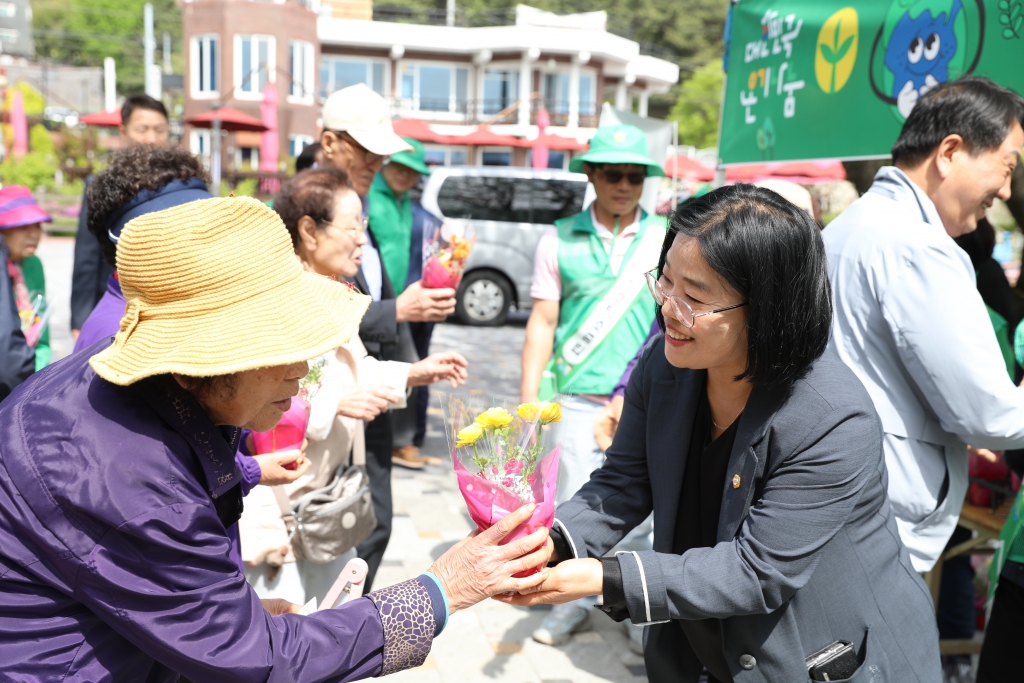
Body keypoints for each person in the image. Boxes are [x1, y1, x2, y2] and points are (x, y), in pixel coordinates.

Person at [0, 195, 552, 681]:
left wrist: (220, 603)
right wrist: (440, 590)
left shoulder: (112, 397)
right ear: (196, 367)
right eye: (280, 346)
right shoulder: (130, 483)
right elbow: (257, 660)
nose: (301, 368)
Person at [503, 184, 941, 683]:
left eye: (694, 297)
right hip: (702, 651)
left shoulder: (832, 417)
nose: (668, 309)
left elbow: (758, 571)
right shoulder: (665, 366)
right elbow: (624, 481)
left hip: (824, 657)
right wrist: (551, 542)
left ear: (768, 310)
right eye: (665, 282)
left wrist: (604, 577)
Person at [69, 144, 308, 572]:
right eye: (180, 232)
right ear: (134, 248)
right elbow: (153, 484)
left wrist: (250, 471)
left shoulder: (184, 311)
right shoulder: (121, 339)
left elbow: (186, 441)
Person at [824, 76, 1024, 573]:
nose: (1005, 189)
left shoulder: (852, 226)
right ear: (951, 152)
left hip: (842, 505)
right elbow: (989, 415)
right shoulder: (920, 247)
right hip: (878, 522)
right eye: (1007, 167)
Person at [242, 167, 468, 604]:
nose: (363, 239)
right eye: (352, 226)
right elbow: (252, 400)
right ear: (309, 230)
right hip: (277, 508)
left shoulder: (331, 294)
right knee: (280, 634)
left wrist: (416, 372)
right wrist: (334, 402)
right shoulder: (274, 299)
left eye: (364, 225)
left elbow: (354, 369)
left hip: (321, 501)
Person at [520, 123, 667, 645]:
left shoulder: (665, 236)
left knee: (649, 509)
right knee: (585, 508)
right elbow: (542, 321)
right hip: (577, 397)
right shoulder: (558, 236)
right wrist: (529, 397)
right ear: (591, 174)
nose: (624, 184)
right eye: (612, 173)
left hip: (649, 398)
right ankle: (573, 604)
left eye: (635, 175)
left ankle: (641, 605)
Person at [319, 83, 456, 589]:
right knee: (332, 534)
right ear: (329, 142)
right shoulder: (302, 211)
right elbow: (310, 311)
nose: (376, 160)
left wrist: (410, 362)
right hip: (320, 405)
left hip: (371, 391)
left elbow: (370, 293)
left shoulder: (360, 207)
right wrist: (397, 309)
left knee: (372, 524)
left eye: (382, 151)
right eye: (365, 148)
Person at [369, 137, 445, 467]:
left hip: (402, 307)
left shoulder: (406, 205)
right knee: (399, 370)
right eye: (398, 167)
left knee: (402, 369)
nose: (404, 175)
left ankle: (396, 441)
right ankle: (394, 443)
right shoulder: (368, 198)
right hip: (376, 304)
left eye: (411, 171)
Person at [71, 94, 170, 339]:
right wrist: (80, 318)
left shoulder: (180, 185)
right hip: (116, 306)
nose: (151, 139)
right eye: (142, 129)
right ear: (123, 132)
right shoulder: (100, 185)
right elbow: (87, 255)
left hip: (167, 309)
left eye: (160, 130)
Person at [0, 186, 51, 396]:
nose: (33, 234)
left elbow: (42, 335)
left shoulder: (33, 265)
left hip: (29, 377)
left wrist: (35, 379)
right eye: (23, 226)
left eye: (37, 225)